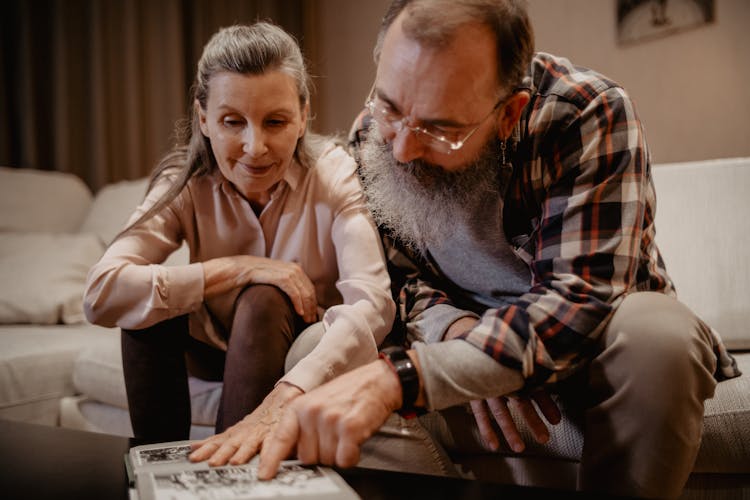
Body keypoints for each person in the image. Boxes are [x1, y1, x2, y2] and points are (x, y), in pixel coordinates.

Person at [196, 2, 741, 497]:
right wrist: (457, 339)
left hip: (589, 357)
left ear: (509, 113)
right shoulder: (375, 136)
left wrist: (419, 375)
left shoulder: (587, 113)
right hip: (460, 345)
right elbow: (402, 280)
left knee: (660, 337)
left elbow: (583, 300)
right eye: (389, 107)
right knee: (316, 347)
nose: (404, 148)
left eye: (440, 129)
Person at [83, 22, 395, 446]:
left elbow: (373, 303)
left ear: (304, 116)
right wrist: (240, 268)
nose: (255, 147)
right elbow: (101, 293)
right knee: (145, 302)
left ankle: (233, 471)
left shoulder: (333, 173)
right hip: (211, 346)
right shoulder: (184, 181)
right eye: (233, 121)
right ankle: (156, 463)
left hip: (291, 343)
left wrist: (297, 385)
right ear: (203, 119)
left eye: (275, 121)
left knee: (264, 297)